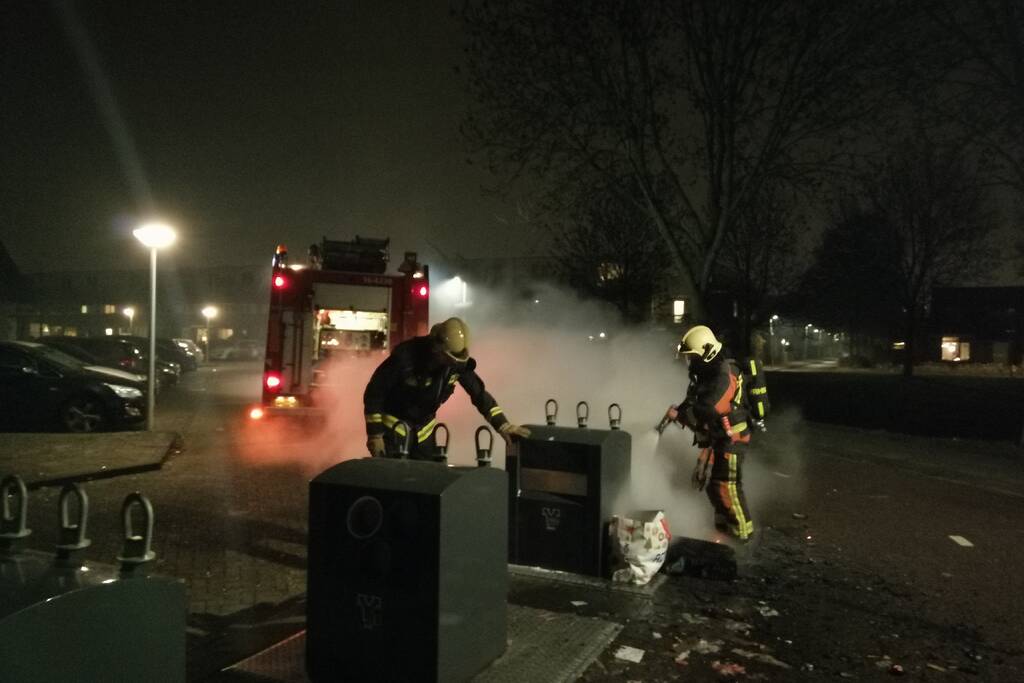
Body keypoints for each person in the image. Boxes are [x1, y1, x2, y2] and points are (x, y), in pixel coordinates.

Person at [363, 317, 530, 460]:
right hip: (393, 430)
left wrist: (503, 425)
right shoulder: (405, 358)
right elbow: (374, 394)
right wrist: (375, 435)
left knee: (424, 483)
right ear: (437, 348)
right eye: (449, 359)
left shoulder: (455, 364)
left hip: (424, 433)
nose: (454, 364)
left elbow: (479, 394)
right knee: (394, 484)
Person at [663, 325, 755, 542]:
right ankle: (723, 531)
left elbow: (712, 408)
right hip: (720, 437)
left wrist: (683, 416)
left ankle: (742, 535)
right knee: (714, 488)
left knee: (726, 485)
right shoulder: (705, 374)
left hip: (733, 438)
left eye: (693, 356)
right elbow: (697, 404)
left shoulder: (725, 373)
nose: (689, 361)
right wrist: (681, 411)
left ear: (706, 352)